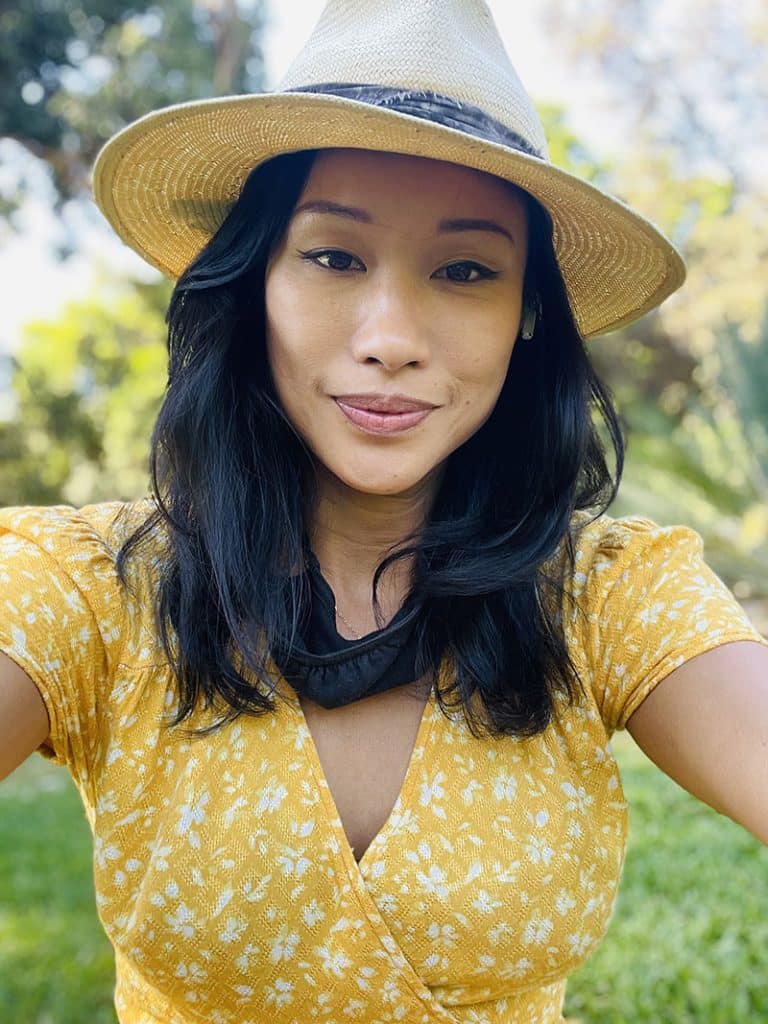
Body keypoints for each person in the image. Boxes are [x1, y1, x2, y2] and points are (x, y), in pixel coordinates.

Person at [1, 1, 766, 1022]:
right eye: (333, 257)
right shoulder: (94, 584)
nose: (392, 336)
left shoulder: (610, 591)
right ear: (253, 282)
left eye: (465, 270)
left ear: (527, 314)